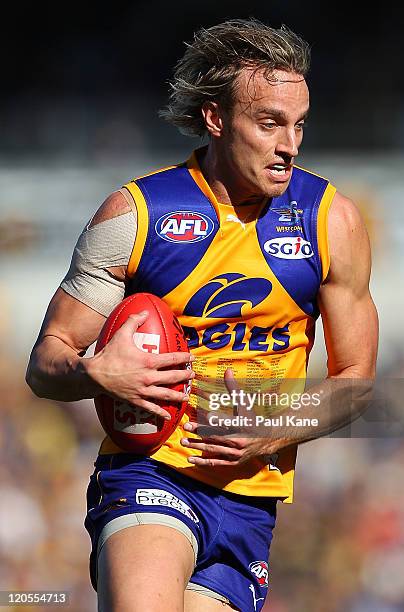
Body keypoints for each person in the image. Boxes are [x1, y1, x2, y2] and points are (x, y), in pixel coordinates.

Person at [26, 19, 378, 612]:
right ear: (216, 119)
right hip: (150, 473)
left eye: (298, 125)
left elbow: (357, 384)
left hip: (251, 500)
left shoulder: (332, 221)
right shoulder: (137, 214)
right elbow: (44, 363)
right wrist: (96, 374)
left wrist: (276, 427)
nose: (289, 144)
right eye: (269, 123)